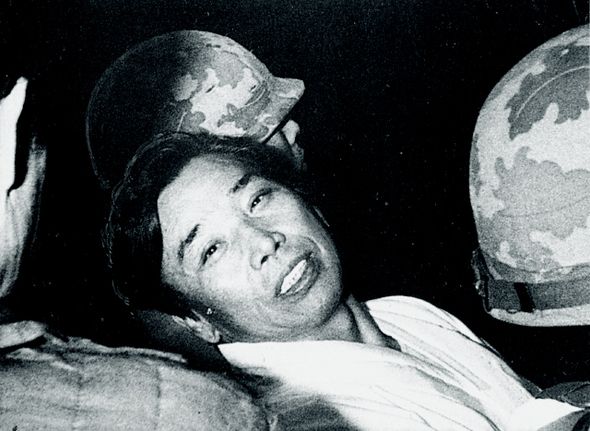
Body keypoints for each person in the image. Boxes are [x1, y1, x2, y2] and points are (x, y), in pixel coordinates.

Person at [105, 131, 589, 431]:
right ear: (196, 321)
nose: (265, 240)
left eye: (257, 200)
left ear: (308, 203)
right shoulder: (303, 420)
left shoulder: (407, 314)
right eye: (212, 250)